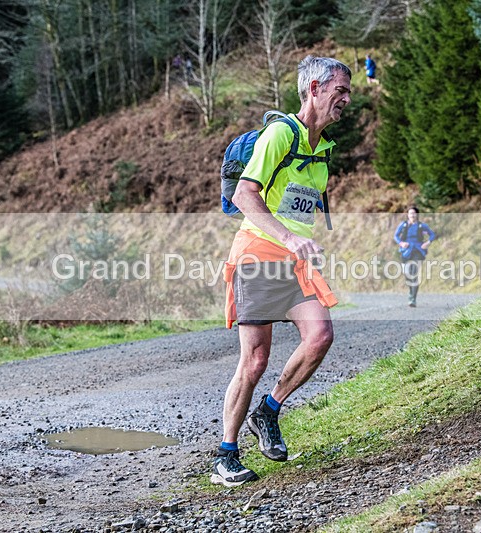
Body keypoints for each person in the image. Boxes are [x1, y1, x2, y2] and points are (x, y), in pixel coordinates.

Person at [212, 56, 352, 487]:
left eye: (348, 93)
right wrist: (290, 239)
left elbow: (297, 211)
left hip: (293, 262)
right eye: (339, 90)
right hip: (257, 255)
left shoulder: (322, 150)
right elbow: (245, 195)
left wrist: (300, 243)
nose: (346, 99)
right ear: (314, 89)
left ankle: (268, 412)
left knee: (320, 336)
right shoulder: (281, 134)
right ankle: (226, 455)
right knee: (254, 360)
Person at [394, 206, 435, 307]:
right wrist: (401, 243)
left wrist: (427, 243)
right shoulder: (403, 225)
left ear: (417, 215)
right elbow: (396, 236)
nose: (412, 215)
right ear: (407, 215)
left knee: (414, 274)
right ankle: (410, 292)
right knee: (407, 275)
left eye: (414, 213)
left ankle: (413, 299)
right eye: (410, 213)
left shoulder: (422, 226)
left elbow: (432, 234)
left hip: (418, 251)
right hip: (406, 252)